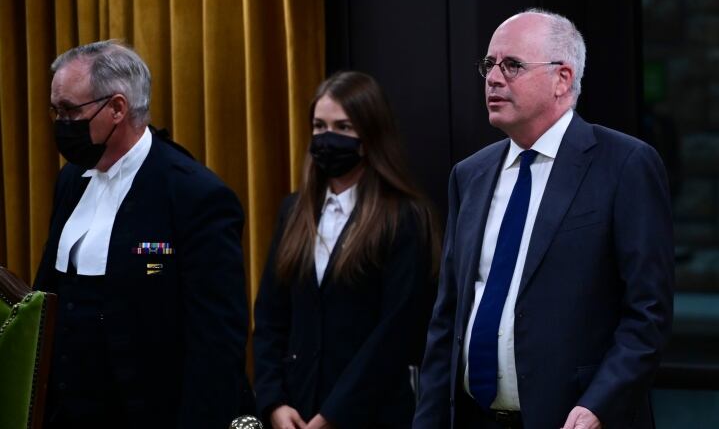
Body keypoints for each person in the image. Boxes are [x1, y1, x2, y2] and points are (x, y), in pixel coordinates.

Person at [413, 9, 674, 429]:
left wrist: (599, 405)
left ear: (563, 79)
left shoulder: (625, 164)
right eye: (489, 65)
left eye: (512, 65)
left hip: (577, 419)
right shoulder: (470, 175)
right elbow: (448, 319)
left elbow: (648, 313)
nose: (493, 78)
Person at [34, 40, 248, 428]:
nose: (60, 123)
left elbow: (216, 344)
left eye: (69, 110)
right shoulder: (71, 179)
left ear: (117, 108)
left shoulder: (193, 194)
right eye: (56, 110)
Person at [253, 71, 440, 429]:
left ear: (370, 136)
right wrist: (273, 400)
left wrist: (333, 416)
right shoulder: (293, 211)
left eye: (343, 128)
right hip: (295, 410)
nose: (328, 138)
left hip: (371, 413)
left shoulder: (405, 217)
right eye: (320, 127)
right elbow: (270, 318)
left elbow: (395, 333)